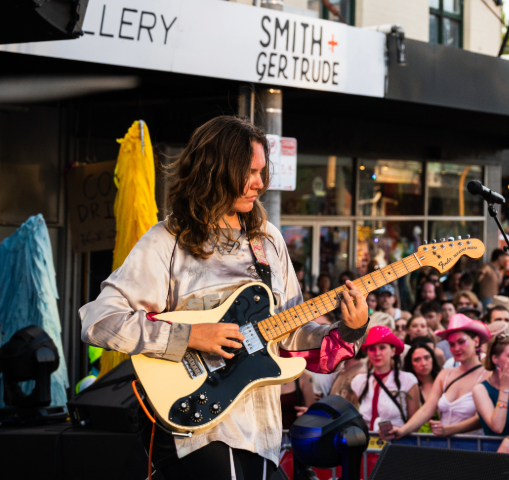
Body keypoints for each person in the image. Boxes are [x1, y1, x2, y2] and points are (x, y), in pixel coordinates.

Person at [78, 116, 369, 478]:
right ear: (215, 170)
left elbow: (292, 332)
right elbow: (99, 322)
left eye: (262, 172)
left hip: (262, 434)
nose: (259, 184)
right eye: (249, 172)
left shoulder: (268, 240)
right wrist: (190, 337)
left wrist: (349, 330)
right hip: (197, 433)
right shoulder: (167, 241)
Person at [383, 314, 489, 439]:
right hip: (444, 448)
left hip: (475, 448)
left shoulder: (488, 376)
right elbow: (426, 409)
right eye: (452, 344)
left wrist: (448, 430)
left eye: (461, 342)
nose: (456, 348)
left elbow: (481, 418)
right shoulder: (445, 374)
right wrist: (402, 431)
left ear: (476, 341)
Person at [352, 326, 420, 431]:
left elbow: (415, 424)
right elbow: (354, 418)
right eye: (372, 349)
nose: (377, 353)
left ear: (393, 351)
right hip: (366, 444)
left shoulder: (408, 380)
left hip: (396, 444)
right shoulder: (359, 381)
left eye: (382, 347)